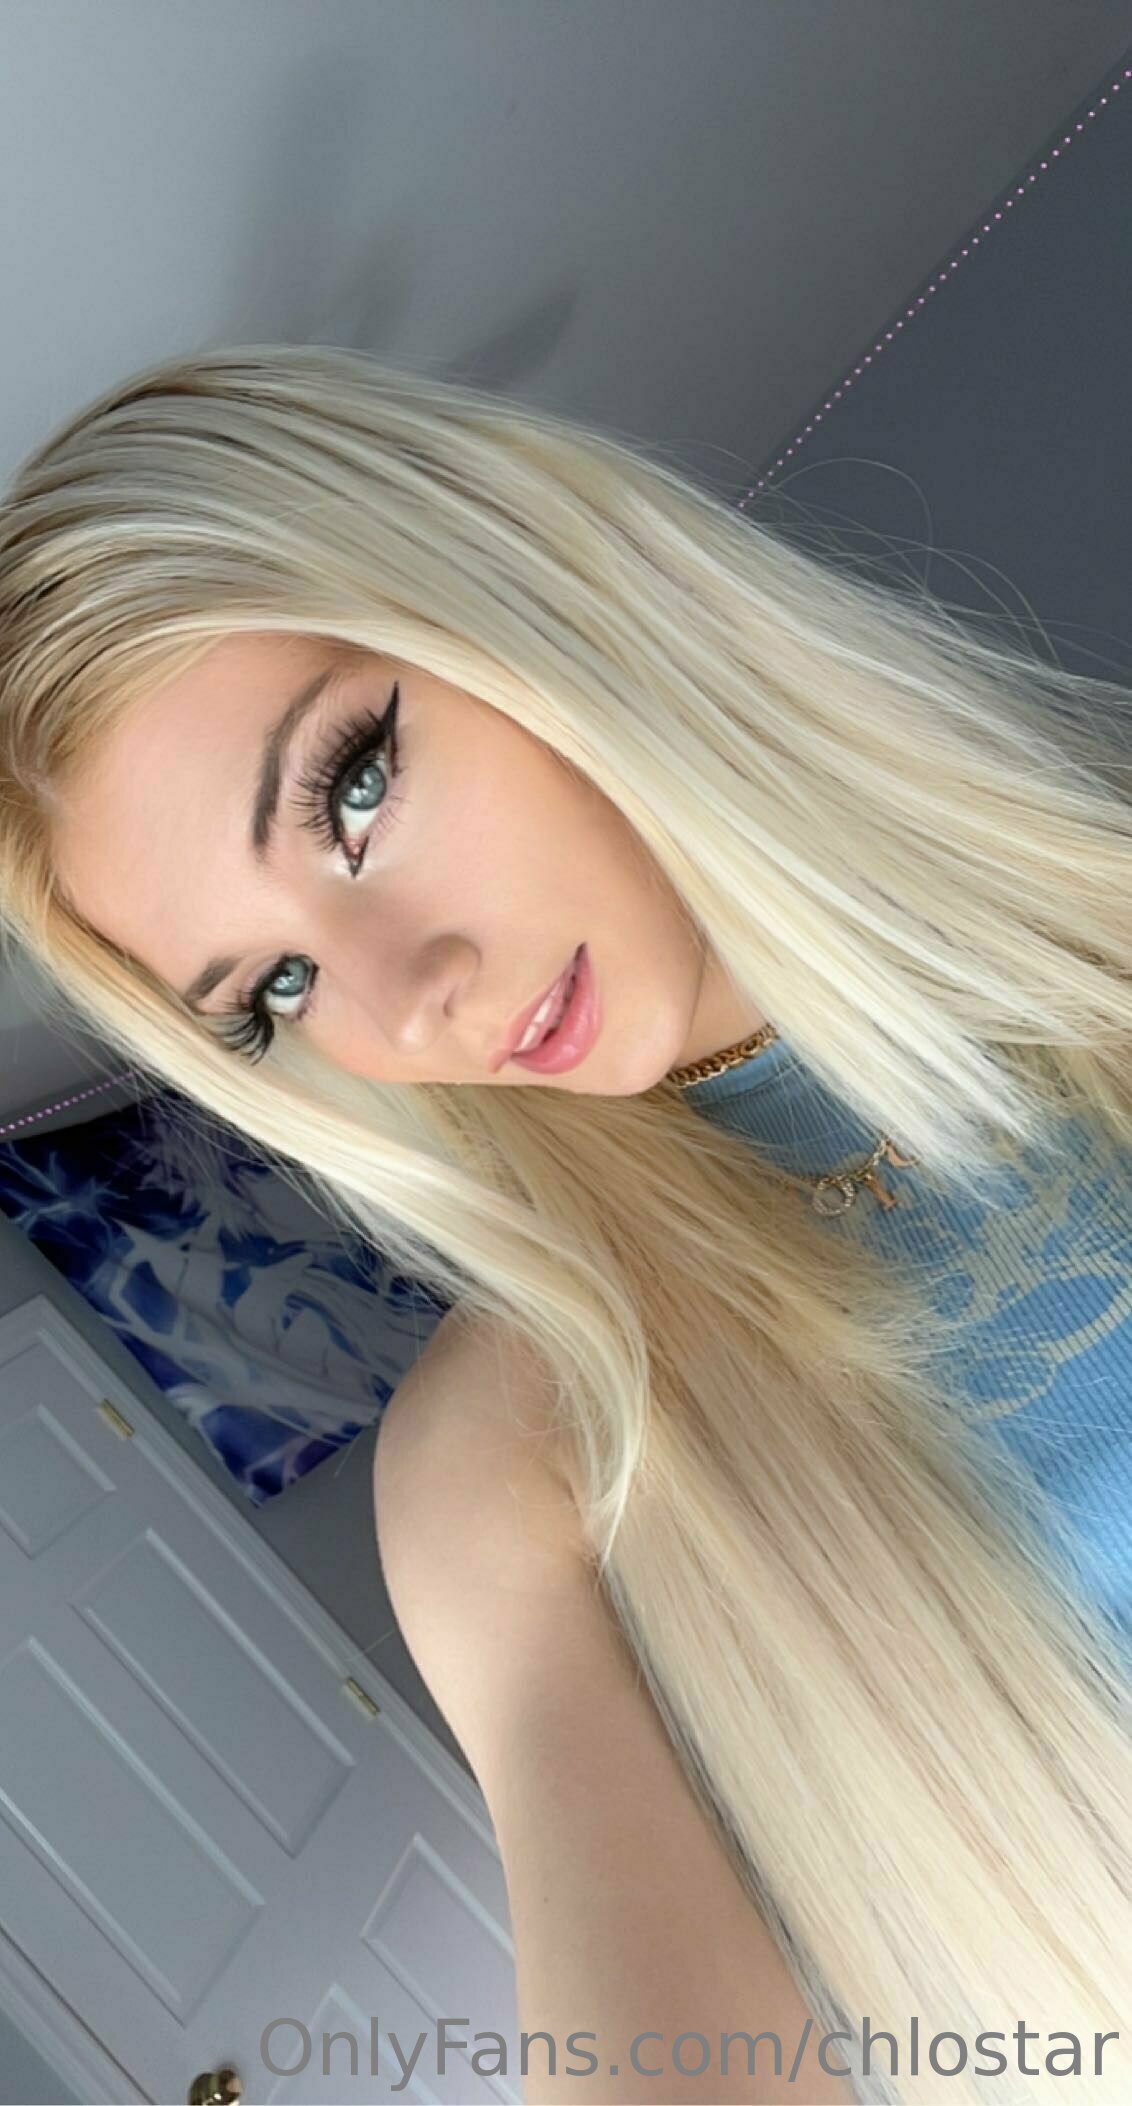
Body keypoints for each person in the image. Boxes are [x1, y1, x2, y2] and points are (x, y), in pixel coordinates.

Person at [1, 343, 1131, 2106]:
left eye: (355, 789)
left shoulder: (1089, 929)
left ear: (510, 578)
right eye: (277, 987)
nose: (409, 997)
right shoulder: (515, 1449)